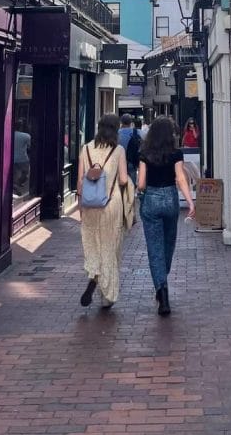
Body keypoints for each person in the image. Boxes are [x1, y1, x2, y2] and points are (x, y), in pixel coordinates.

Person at [138, 116, 195, 316]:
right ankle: (162, 281)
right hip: (170, 198)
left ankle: (162, 292)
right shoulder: (175, 153)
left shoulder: (145, 153)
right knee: (168, 245)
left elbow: (141, 183)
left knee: (154, 249)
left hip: (151, 199)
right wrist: (189, 201)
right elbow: (180, 178)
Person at [77, 113, 130, 310]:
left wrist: (81, 206)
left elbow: (80, 183)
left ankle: (94, 274)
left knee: (93, 243)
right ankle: (108, 295)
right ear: (116, 129)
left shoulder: (86, 148)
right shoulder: (118, 150)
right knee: (110, 247)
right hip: (111, 203)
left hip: (90, 204)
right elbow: (123, 180)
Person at [13, 119, 31, 196]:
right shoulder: (26, 136)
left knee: (13, 175)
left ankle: (15, 186)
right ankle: (17, 185)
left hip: (12, 158)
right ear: (21, 127)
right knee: (26, 174)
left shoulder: (9, 134)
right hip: (22, 159)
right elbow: (29, 147)